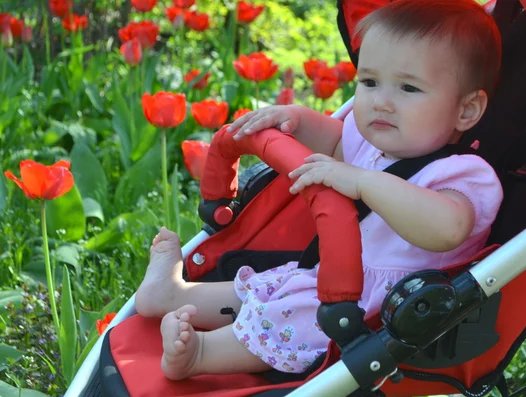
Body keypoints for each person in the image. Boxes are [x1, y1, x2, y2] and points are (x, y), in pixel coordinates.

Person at [135, 0, 503, 381]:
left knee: (291, 320)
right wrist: (297, 119)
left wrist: (363, 182)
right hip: (330, 277)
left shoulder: (462, 174)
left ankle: (201, 355)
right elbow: (334, 143)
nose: (382, 101)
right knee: (263, 288)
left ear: (466, 111)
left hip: (378, 310)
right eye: (369, 82)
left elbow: (446, 228)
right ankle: (172, 295)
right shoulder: (374, 143)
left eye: (408, 87)